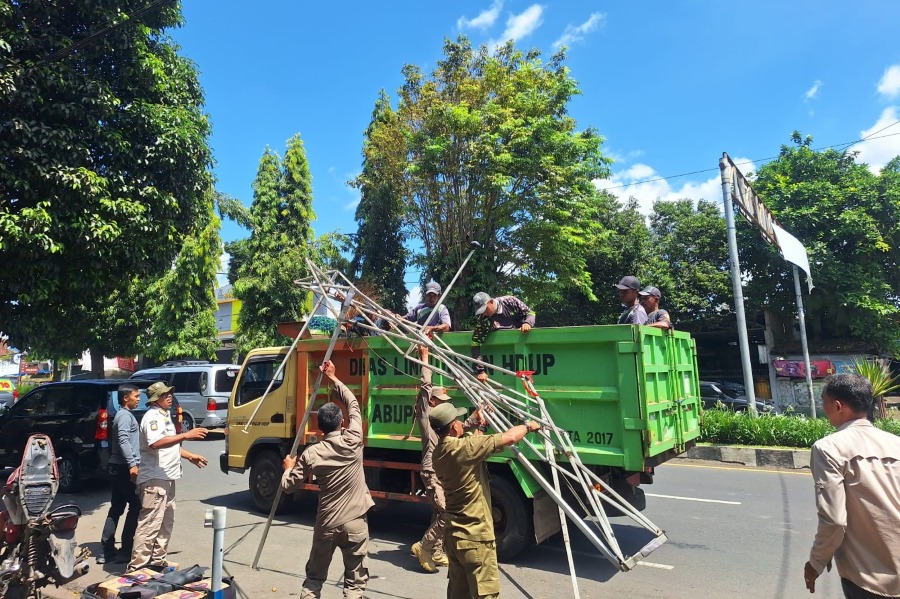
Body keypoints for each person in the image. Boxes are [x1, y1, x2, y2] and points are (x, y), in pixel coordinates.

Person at [281, 360, 374, 599]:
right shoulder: (354, 439)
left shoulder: (312, 453)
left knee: (314, 579)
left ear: (319, 427)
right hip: (355, 522)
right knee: (354, 584)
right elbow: (353, 403)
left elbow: (289, 487)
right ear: (341, 423)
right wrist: (333, 378)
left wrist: (287, 468)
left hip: (327, 524)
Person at [430, 402, 542, 599]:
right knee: (486, 594)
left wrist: (480, 426)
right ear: (455, 425)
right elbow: (510, 437)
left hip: (454, 537)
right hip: (476, 538)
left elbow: (472, 447)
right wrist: (529, 426)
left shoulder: (439, 453)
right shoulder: (465, 448)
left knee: (458, 594)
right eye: (459, 420)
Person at [803, 374, 900, 598]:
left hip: (868, 578)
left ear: (837, 406)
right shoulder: (896, 443)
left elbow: (834, 521)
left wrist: (815, 563)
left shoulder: (828, 448)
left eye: (824, 403)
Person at [411, 345, 486, 573]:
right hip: (432, 472)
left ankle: (435, 550)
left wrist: (476, 414)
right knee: (445, 511)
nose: (445, 402)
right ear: (432, 403)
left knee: (438, 512)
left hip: (443, 470)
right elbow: (425, 388)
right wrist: (425, 358)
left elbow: (458, 428)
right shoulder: (426, 418)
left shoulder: (444, 423)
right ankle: (424, 547)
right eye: (441, 399)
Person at [127, 382, 208, 573]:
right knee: (150, 524)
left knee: (166, 522)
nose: (170, 396)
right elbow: (156, 443)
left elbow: (170, 445)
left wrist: (190, 456)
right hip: (155, 479)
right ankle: (137, 568)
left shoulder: (164, 416)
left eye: (170, 393)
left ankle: (157, 560)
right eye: (165, 395)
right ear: (156, 399)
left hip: (168, 477)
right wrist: (187, 435)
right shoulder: (152, 417)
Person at [98, 383, 141, 564]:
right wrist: (132, 464)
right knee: (136, 506)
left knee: (117, 507)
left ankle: (107, 551)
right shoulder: (124, 416)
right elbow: (123, 440)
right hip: (123, 467)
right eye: (136, 396)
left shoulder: (123, 415)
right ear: (126, 398)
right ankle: (125, 551)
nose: (139, 399)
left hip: (117, 466)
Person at [470, 292, 535, 383]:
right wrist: (481, 371)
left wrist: (527, 323)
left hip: (523, 347)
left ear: (491, 302)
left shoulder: (510, 301)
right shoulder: (483, 319)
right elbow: (475, 343)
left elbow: (530, 312)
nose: (484, 313)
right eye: (481, 311)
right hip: (505, 360)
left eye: (485, 309)